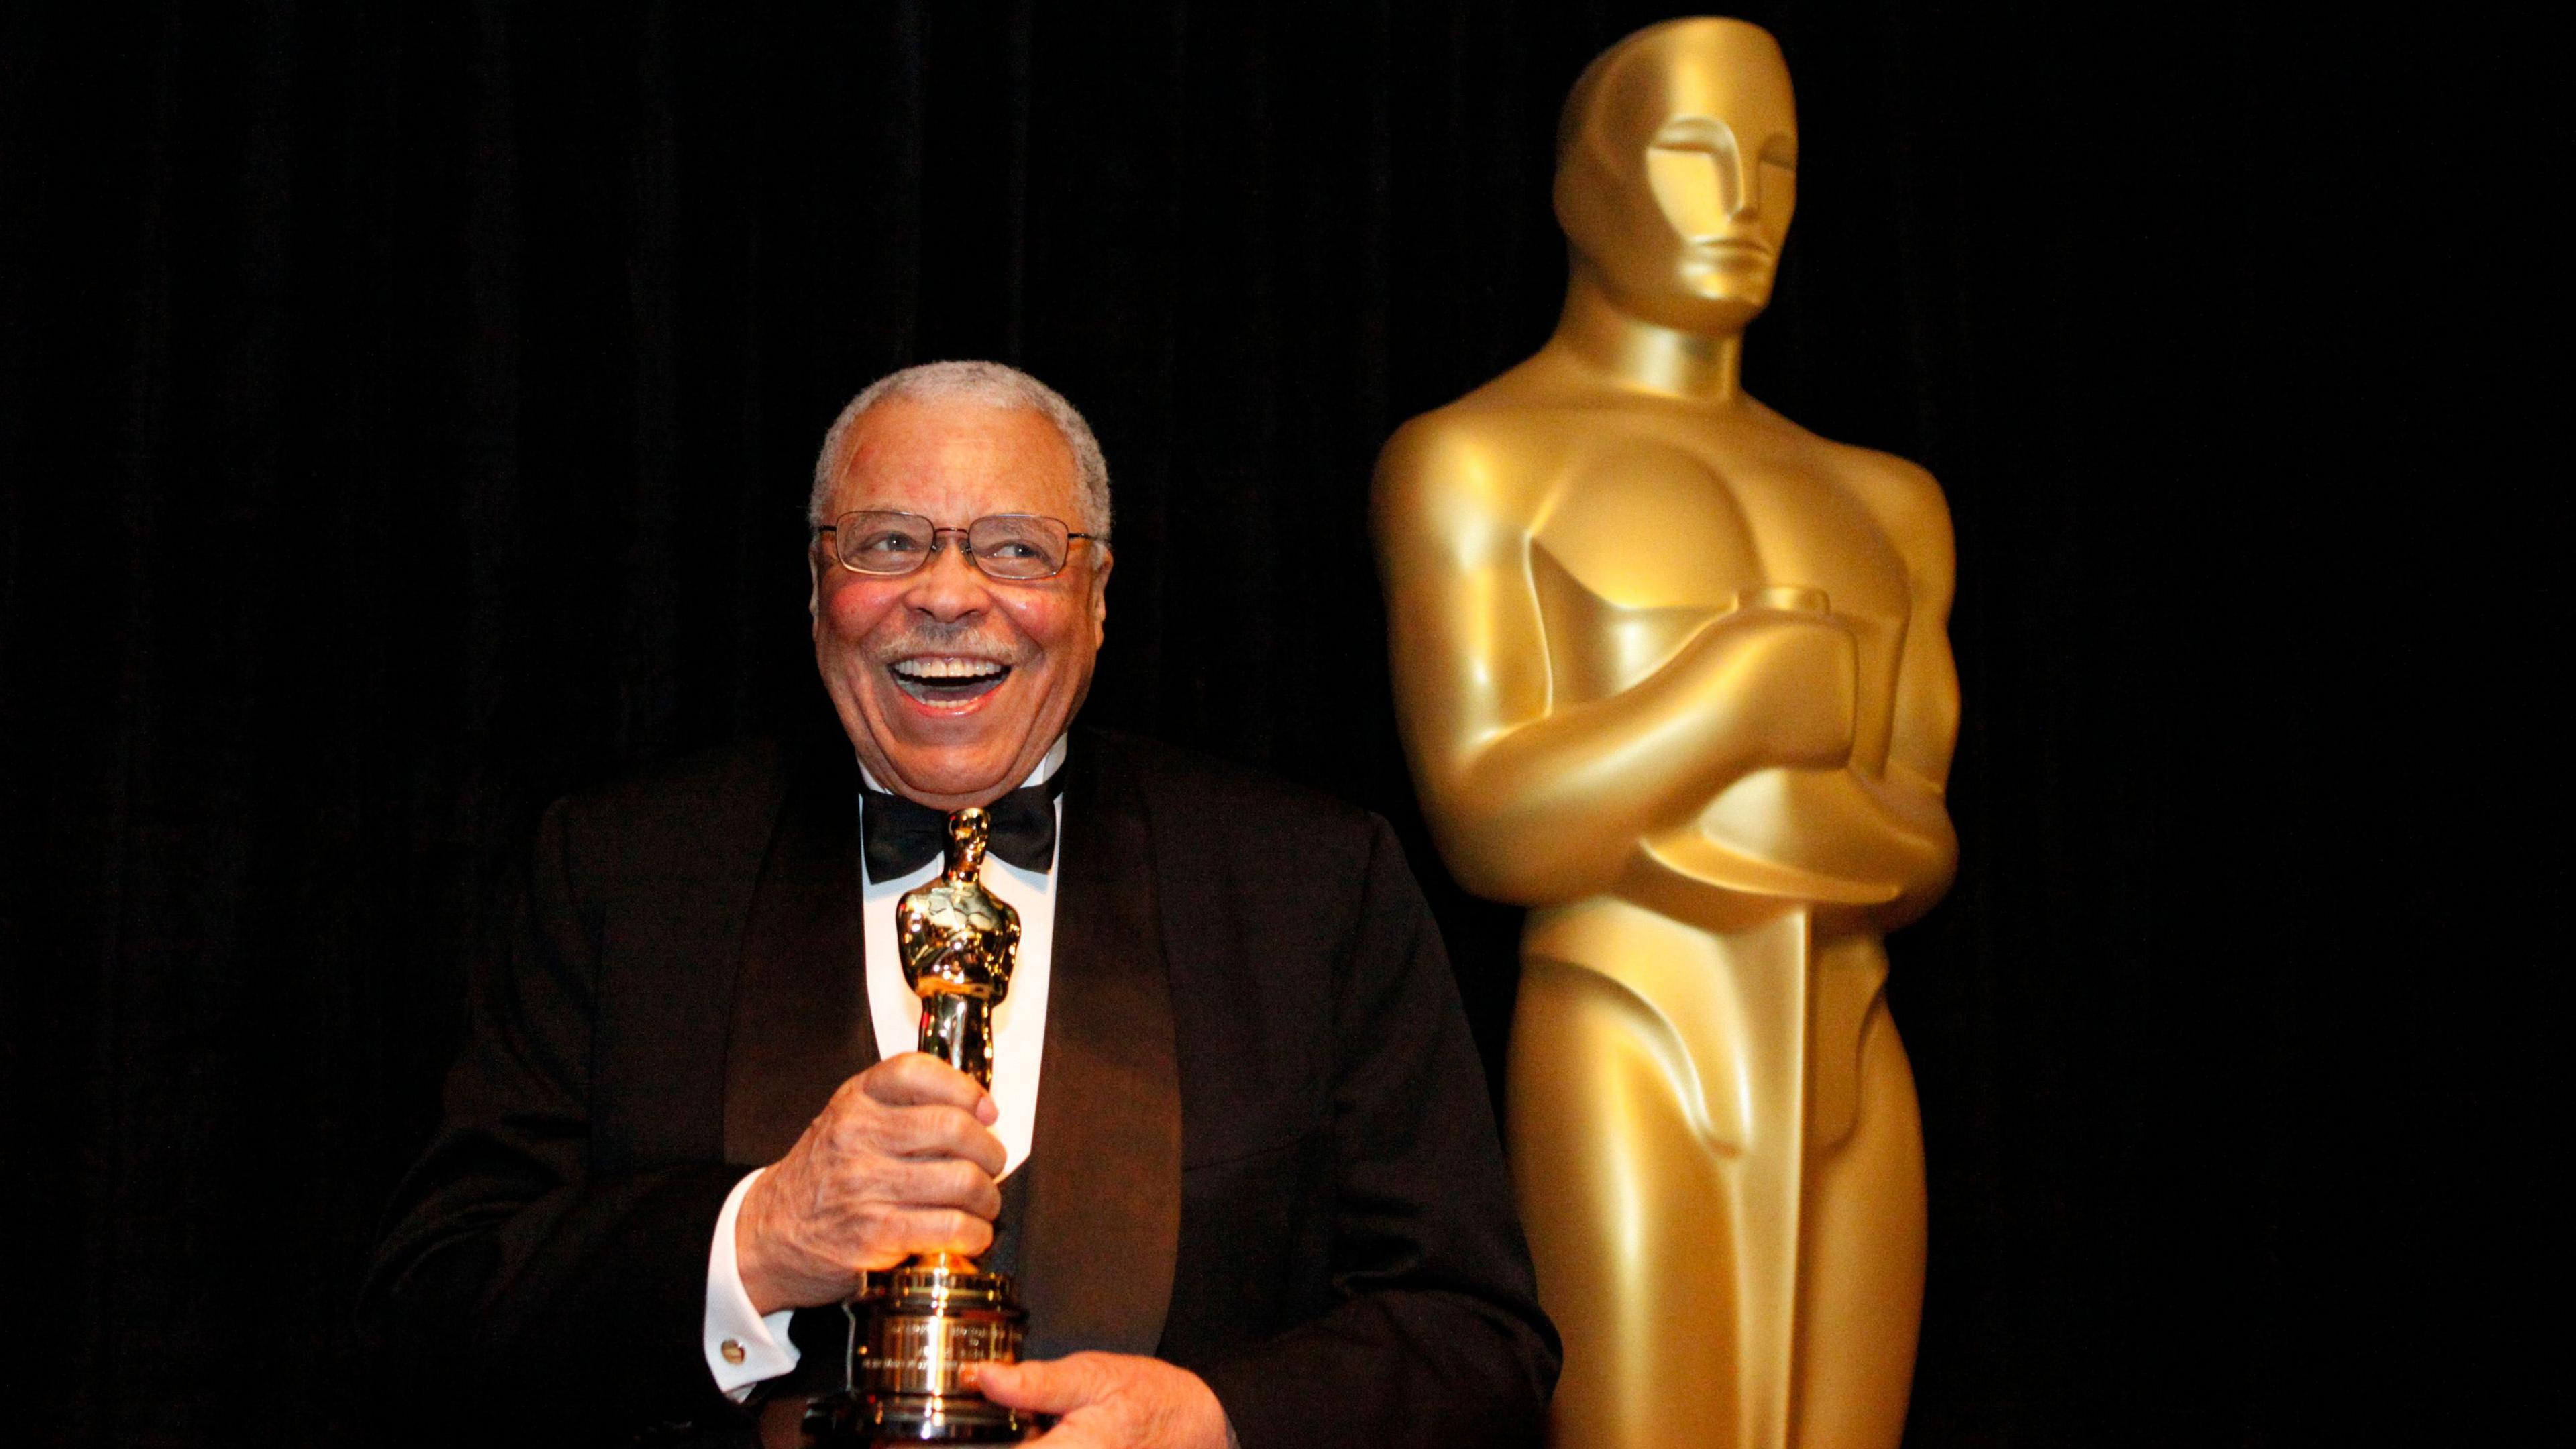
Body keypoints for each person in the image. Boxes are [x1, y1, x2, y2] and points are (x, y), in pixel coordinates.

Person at [361, 361, 1558, 1449]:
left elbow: (1477, 1338)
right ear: (816, 583)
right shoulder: (621, 874)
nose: (946, 595)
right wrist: (758, 1242)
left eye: (1016, 549)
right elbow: (434, 1318)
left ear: (1096, 596)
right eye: (888, 542)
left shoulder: (1311, 885)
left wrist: (1216, 1421)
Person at [1371, 19, 1958, 1449]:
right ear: (1586, 185)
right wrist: (1734, 706)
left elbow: (1927, 845)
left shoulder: (1886, 501)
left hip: (1853, 1032)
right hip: (1628, 1022)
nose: (1744, 204)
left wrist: (1682, 785)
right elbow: (1492, 823)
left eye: (1776, 164)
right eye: (1693, 156)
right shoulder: (1479, 461)